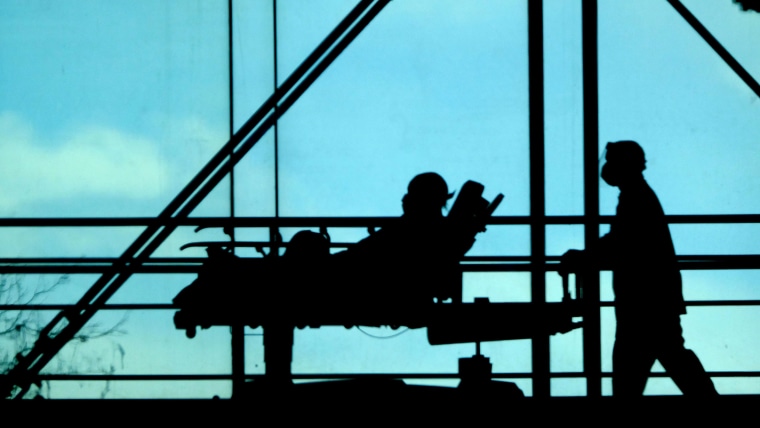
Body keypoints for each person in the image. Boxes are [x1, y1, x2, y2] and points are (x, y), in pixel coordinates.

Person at [560, 140, 717, 397]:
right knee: (672, 357)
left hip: (642, 303)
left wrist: (583, 257)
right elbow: (622, 243)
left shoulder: (635, 197)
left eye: (612, 161)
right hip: (655, 300)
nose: (607, 167)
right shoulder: (638, 194)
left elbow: (621, 243)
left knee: (633, 367)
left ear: (624, 163)